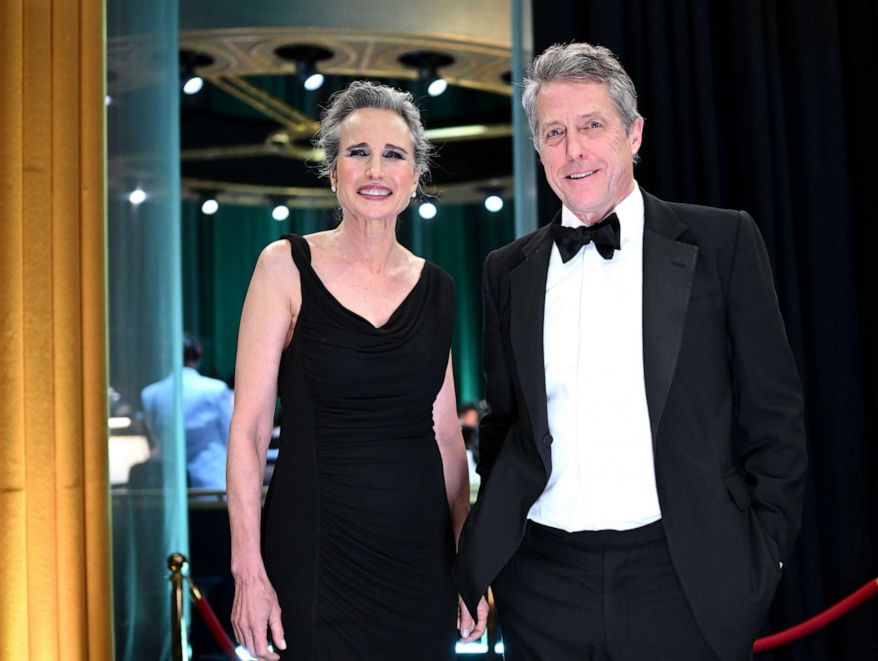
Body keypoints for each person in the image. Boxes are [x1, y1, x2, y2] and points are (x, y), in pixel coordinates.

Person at [453, 43, 807, 661]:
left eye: (592, 126)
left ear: (634, 133)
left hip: (683, 574)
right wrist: (490, 556)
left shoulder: (722, 242)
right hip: (541, 579)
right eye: (555, 133)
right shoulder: (507, 271)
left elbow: (775, 416)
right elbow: (506, 427)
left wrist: (763, 554)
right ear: (539, 149)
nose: (575, 151)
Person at [226, 80, 471, 661]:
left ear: (415, 178)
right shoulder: (284, 266)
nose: (375, 169)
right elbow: (250, 430)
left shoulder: (437, 287)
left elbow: (446, 435)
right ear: (333, 171)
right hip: (313, 556)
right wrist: (248, 571)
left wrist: (468, 561)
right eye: (357, 153)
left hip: (421, 564)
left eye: (394, 155)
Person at [140, 332, 232, 490]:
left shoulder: (150, 394)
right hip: (212, 483)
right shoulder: (216, 390)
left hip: (169, 486)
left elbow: (155, 435)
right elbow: (230, 435)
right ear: (198, 354)